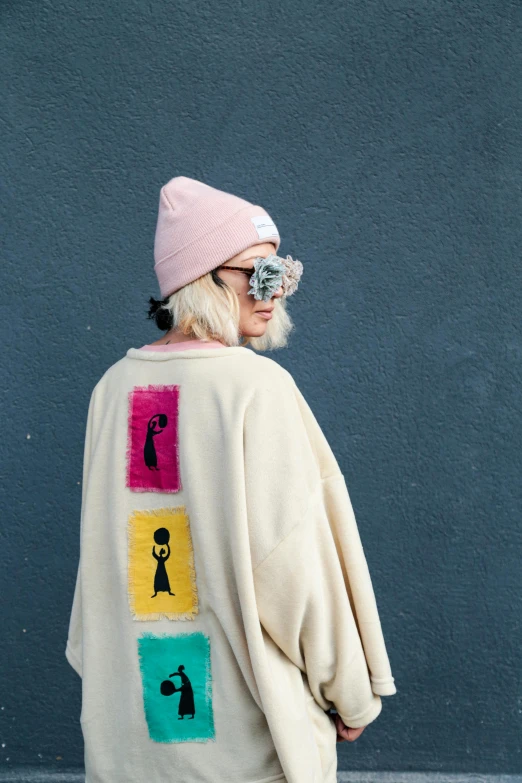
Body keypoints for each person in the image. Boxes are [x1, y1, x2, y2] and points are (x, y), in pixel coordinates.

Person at [65, 176, 397, 783]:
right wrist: (351, 692)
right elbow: (293, 565)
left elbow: (104, 562)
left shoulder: (113, 390)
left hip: (133, 748)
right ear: (201, 279)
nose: (275, 291)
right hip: (246, 749)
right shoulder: (254, 389)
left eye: (283, 275)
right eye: (259, 273)